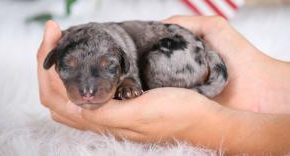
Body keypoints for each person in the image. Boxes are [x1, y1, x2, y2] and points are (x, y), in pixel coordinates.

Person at [37, 16, 290, 155]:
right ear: (54, 61)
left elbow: (131, 75)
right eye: (70, 67)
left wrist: (207, 122)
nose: (88, 88)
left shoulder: (124, 56)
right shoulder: (68, 46)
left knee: (157, 65)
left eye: (109, 67)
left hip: (176, 52)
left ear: (123, 62)